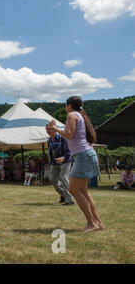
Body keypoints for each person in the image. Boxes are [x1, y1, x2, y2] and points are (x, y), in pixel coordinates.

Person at [48, 96, 104, 232]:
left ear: (69, 106)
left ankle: (92, 223)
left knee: (74, 190)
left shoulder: (72, 115)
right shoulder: (80, 115)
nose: (65, 108)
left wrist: (54, 128)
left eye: (66, 105)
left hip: (82, 156)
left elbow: (68, 134)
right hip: (87, 154)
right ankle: (98, 223)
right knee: (83, 191)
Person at [46, 125, 74, 205]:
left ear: (54, 129)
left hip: (65, 161)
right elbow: (51, 153)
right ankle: (63, 194)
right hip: (54, 163)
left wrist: (63, 158)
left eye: (50, 129)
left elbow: (69, 151)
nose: (48, 131)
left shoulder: (62, 138)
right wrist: (51, 161)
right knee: (52, 180)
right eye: (47, 129)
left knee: (63, 178)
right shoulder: (49, 140)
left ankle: (69, 200)